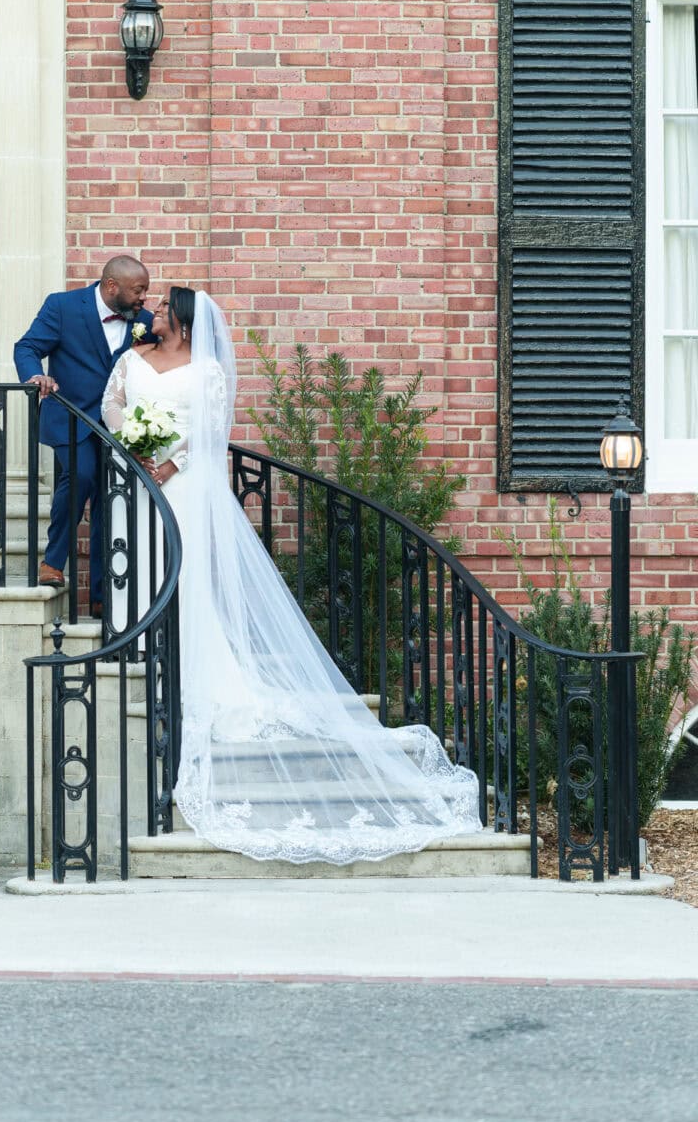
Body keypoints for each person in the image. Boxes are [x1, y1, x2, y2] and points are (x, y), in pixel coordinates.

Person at [101, 287, 481, 865]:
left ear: (180, 319)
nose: (150, 315)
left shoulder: (205, 370)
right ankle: (135, 648)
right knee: (138, 559)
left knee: (183, 573)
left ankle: (179, 660)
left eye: (159, 310)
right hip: (135, 478)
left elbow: (209, 432)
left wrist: (168, 460)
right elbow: (113, 406)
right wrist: (134, 446)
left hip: (181, 482)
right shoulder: (133, 360)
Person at [15, 256, 154, 616]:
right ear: (111, 286)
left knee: (111, 500)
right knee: (81, 475)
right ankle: (53, 560)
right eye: (138, 290)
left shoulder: (145, 322)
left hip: (118, 425)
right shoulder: (61, 307)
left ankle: (100, 593)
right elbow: (27, 347)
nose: (144, 298)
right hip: (70, 417)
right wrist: (35, 376)